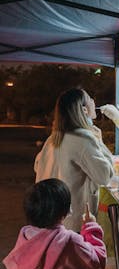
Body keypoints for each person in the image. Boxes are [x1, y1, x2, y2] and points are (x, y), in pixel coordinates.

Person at [3, 178, 107, 269]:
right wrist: (91, 228)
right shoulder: (68, 242)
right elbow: (97, 261)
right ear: (63, 213)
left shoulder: (25, 237)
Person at [34, 88, 114, 232]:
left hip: (50, 218)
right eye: (90, 98)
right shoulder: (83, 139)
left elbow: (38, 166)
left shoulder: (52, 139)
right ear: (84, 110)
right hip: (73, 223)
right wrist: (98, 140)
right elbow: (104, 176)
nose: (93, 102)